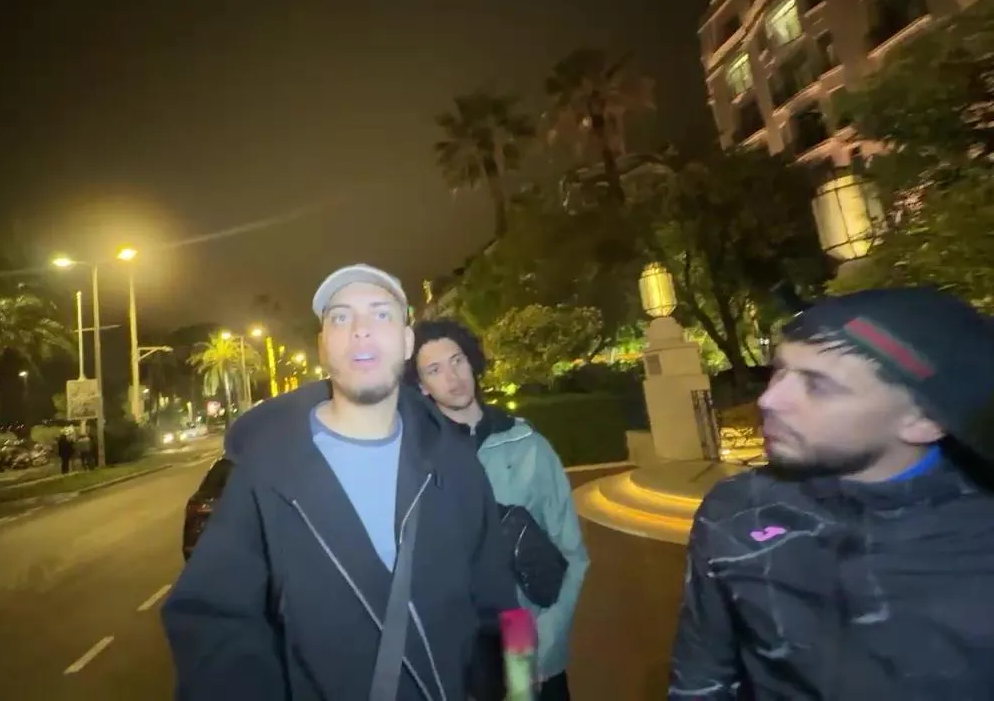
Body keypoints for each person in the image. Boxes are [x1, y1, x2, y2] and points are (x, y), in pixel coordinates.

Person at [162, 263, 518, 701]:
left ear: (407, 342)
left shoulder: (456, 464)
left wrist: (520, 686)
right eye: (341, 317)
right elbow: (212, 622)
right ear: (322, 347)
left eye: (381, 314)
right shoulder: (265, 474)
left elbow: (502, 604)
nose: (361, 329)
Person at [669, 287, 994, 699]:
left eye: (818, 386)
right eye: (779, 371)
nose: (768, 399)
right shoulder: (736, 510)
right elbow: (700, 680)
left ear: (923, 421)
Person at [408, 319, 590, 701]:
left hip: (520, 627)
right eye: (434, 370)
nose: (452, 377)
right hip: (455, 644)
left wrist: (544, 646)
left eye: (457, 360)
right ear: (421, 385)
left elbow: (571, 552)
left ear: (472, 362)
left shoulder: (527, 445)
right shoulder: (417, 460)